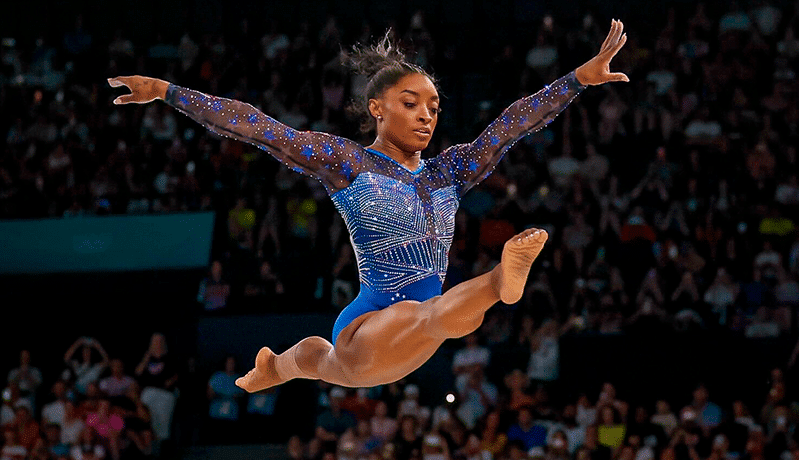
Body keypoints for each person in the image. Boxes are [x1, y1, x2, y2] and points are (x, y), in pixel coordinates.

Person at [109, 20, 629, 390]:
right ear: (377, 109)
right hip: (369, 328)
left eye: (433, 107)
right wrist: (165, 90)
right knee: (412, 323)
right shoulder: (348, 163)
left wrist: (577, 80)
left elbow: (510, 128)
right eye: (411, 104)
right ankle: (500, 283)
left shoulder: (447, 171)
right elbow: (259, 128)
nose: (427, 116)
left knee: (330, 354)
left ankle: (276, 367)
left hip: (417, 325)